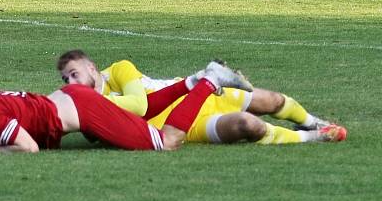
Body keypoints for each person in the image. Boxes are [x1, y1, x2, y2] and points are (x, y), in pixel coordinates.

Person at [0, 61, 253, 153]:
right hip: (74, 104)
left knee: (167, 141)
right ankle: (193, 81)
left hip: (82, 110)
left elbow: (29, 147)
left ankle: (211, 79)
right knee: (140, 113)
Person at [56, 50, 347, 144]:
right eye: (66, 79)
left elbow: (139, 104)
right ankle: (313, 137)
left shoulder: (119, 69)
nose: (71, 82)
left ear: (92, 67)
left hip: (202, 93)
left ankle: (311, 122)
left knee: (272, 100)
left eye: (74, 74)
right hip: (184, 126)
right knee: (248, 125)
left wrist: (91, 102)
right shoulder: (82, 105)